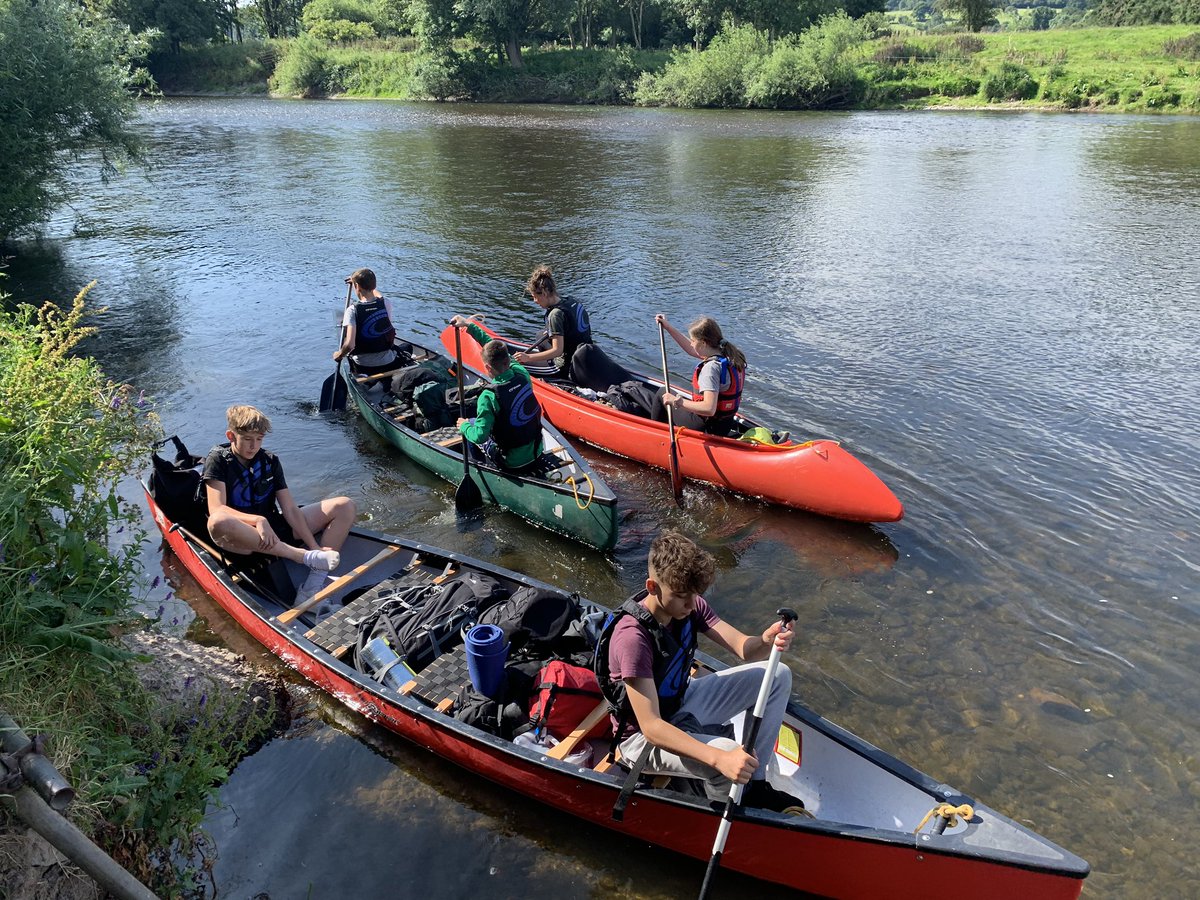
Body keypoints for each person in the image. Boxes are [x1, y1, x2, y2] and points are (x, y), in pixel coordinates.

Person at [596, 530, 806, 814]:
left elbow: (745, 648)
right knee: (725, 756)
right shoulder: (633, 637)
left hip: (682, 700)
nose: (691, 604)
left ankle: (754, 786)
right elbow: (652, 727)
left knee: (778, 675)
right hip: (642, 738)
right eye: (682, 596)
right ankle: (726, 808)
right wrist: (719, 758)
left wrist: (766, 640)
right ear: (652, 586)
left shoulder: (690, 604)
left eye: (696, 595)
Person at [202, 405, 356, 614]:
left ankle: (312, 583)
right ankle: (300, 556)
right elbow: (217, 508)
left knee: (344, 505)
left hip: (273, 532)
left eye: (259, 439)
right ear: (231, 435)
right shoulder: (218, 460)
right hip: (241, 537)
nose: (253, 446)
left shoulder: (270, 460)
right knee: (217, 520)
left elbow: (290, 509)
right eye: (247, 439)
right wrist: (257, 520)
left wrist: (314, 547)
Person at [449, 315, 544, 470]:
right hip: (537, 451)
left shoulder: (488, 396)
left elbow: (480, 436)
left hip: (512, 462)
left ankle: (483, 468)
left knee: (471, 426)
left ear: (488, 368)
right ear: (508, 359)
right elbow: (491, 345)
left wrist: (464, 426)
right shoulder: (521, 373)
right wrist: (468, 325)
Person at [657, 314, 747, 438]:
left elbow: (709, 408)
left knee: (662, 393)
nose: (691, 344)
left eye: (693, 341)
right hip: (724, 425)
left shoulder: (710, 368)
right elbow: (691, 350)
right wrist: (668, 327)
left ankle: (657, 435)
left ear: (704, 343)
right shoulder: (731, 356)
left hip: (705, 426)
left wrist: (678, 402)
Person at [512, 266, 593, 380]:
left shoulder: (555, 315)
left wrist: (528, 357)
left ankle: (556, 375)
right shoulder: (571, 301)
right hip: (585, 354)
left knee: (515, 367)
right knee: (541, 335)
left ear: (544, 293)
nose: (535, 301)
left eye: (535, 297)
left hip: (569, 365)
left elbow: (557, 350)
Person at [333, 268, 398, 377]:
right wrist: (356, 281)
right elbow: (377, 295)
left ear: (357, 286)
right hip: (389, 362)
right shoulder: (386, 303)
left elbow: (350, 345)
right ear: (374, 286)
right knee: (406, 348)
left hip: (363, 366)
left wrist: (339, 355)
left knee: (347, 347)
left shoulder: (352, 310)